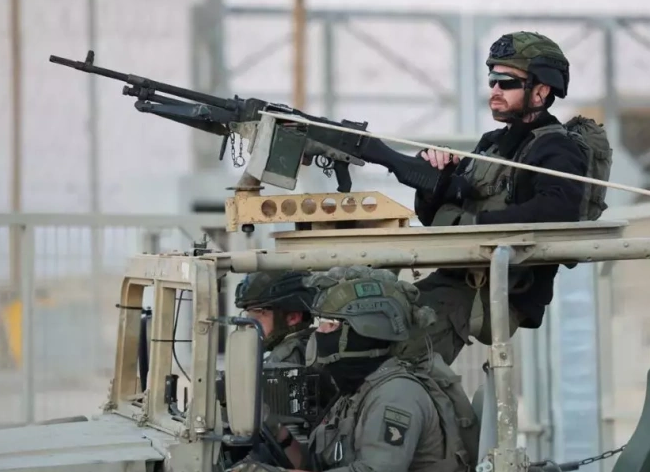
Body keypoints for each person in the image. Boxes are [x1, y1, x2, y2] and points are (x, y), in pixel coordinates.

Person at [401, 31, 589, 366]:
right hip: (454, 278)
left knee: (399, 356)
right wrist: (435, 181)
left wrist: (476, 225)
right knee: (370, 317)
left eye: (507, 82)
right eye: (492, 80)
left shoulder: (556, 148)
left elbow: (558, 210)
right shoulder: (492, 144)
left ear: (541, 91)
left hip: (491, 290)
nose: (495, 90)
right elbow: (437, 216)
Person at [228, 266, 471, 472]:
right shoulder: (354, 391)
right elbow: (315, 464)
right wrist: (277, 432)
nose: (318, 333)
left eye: (329, 324)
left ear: (363, 331)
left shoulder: (397, 395)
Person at [235, 270, 315, 365]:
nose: (249, 325)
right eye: (248, 314)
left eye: (257, 313)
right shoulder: (312, 347)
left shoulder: (285, 357)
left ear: (292, 317)